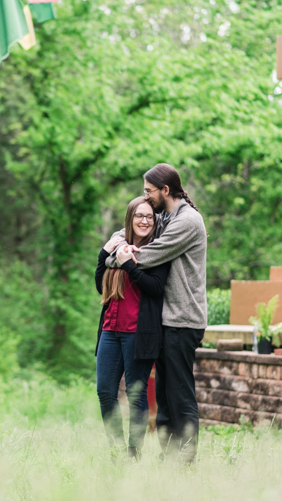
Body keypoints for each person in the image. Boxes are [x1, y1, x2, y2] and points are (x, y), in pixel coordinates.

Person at [105, 163, 207, 464]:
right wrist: (119, 243)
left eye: (149, 192)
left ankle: (185, 461)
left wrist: (115, 259)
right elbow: (133, 229)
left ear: (165, 190)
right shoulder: (166, 216)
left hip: (183, 320)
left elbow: (150, 254)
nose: (146, 198)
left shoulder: (188, 221)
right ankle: (168, 458)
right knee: (163, 395)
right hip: (166, 320)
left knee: (180, 395)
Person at [95, 196, 171, 461]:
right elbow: (100, 285)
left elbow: (155, 288)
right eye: (139, 215)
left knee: (136, 396)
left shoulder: (158, 250)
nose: (144, 221)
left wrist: (129, 265)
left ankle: (133, 454)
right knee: (105, 392)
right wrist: (104, 254)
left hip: (138, 333)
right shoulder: (118, 247)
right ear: (130, 218)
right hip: (110, 330)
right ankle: (116, 450)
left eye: (149, 216)